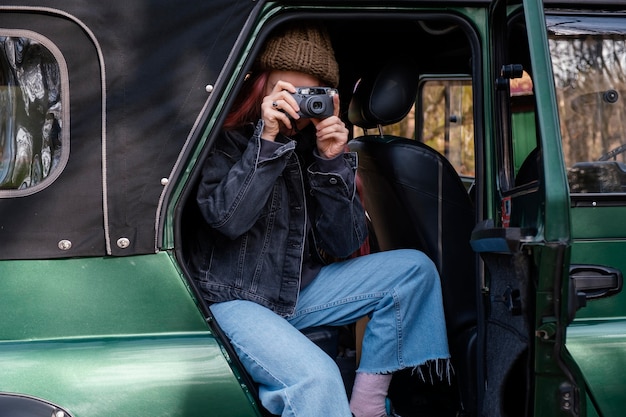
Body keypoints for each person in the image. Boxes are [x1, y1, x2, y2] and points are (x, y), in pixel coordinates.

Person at [188, 22, 450, 417]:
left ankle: (367, 406)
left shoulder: (316, 148)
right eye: (288, 93)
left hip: (295, 292)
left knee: (414, 270)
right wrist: (267, 142)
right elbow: (227, 220)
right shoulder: (222, 139)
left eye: (310, 95)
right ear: (261, 87)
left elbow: (345, 244)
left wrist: (331, 161)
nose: (298, 106)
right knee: (318, 377)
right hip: (231, 298)